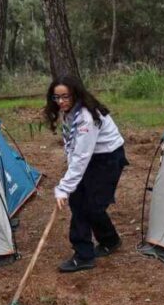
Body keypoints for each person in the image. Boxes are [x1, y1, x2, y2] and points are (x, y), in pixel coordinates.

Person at [43, 75, 129, 273]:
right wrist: (70, 183)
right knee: (78, 201)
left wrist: (64, 187)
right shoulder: (68, 112)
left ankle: (84, 256)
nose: (61, 101)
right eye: (56, 97)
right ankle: (109, 240)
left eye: (65, 96)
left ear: (75, 94)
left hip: (107, 158)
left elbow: (82, 156)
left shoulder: (86, 117)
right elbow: (73, 146)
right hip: (91, 157)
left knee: (90, 205)